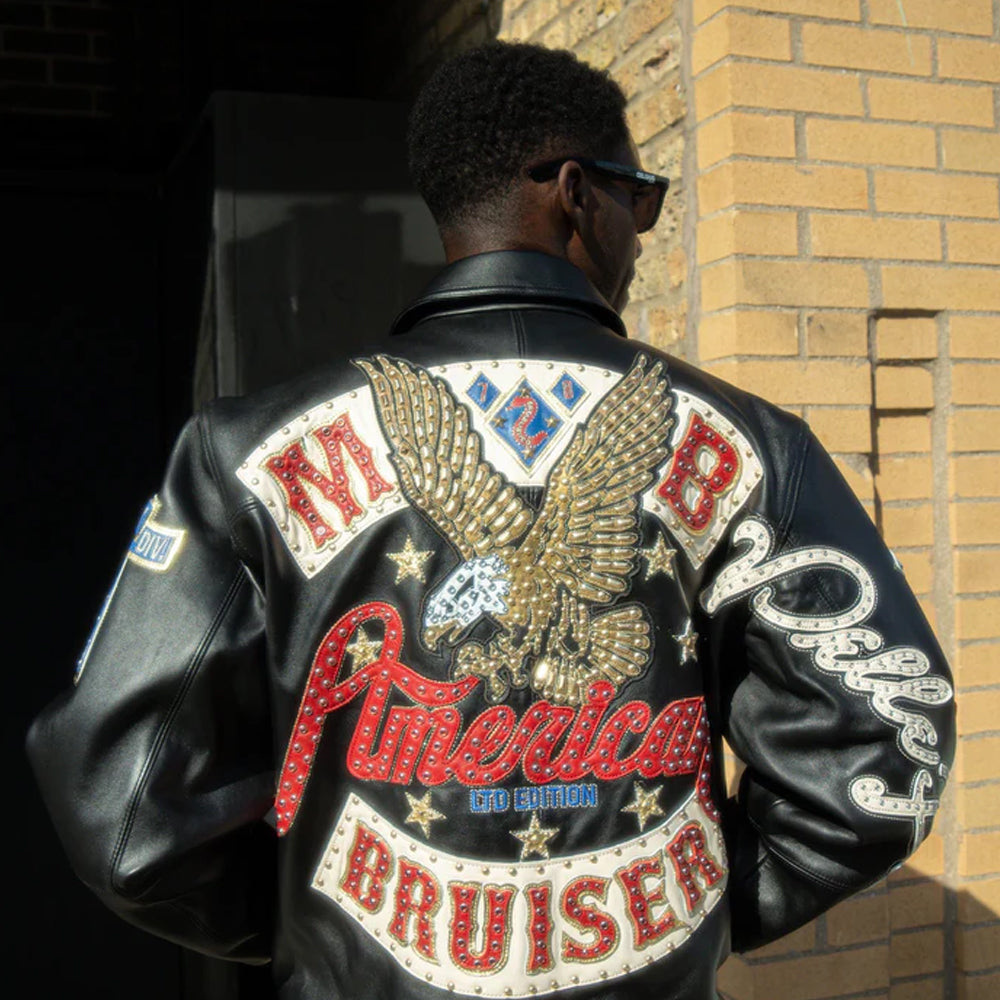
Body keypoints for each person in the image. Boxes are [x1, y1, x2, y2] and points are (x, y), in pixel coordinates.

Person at [27, 40, 955, 1000]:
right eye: (640, 197)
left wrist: (325, 937)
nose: (641, 229)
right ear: (574, 193)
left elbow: (121, 805)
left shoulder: (243, 451)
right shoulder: (749, 444)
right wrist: (698, 915)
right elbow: (886, 746)